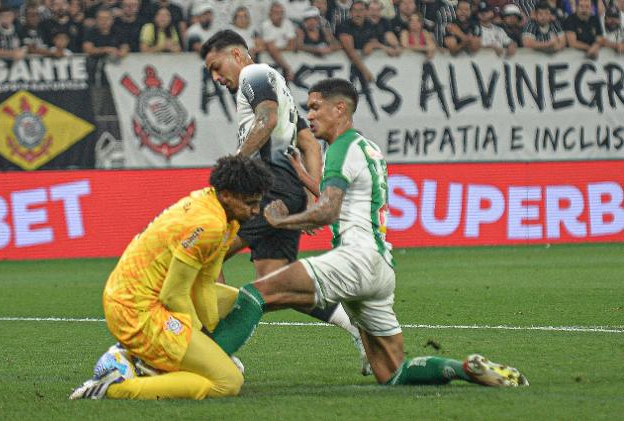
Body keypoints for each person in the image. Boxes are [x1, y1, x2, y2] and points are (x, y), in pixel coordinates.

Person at [208, 78, 530, 389]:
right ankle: (463, 368)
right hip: (380, 268)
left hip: (355, 258)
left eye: (316, 107)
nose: (310, 115)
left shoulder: (340, 149)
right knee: (393, 373)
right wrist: (304, 176)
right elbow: (338, 195)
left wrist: (281, 222)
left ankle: (207, 362)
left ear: (340, 109)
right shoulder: (368, 148)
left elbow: (329, 210)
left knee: (255, 294)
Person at [201, 29, 373, 376]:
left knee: (208, 250)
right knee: (275, 281)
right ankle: (359, 328)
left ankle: (217, 347)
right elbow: (308, 142)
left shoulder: (254, 74)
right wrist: (311, 199)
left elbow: (268, 119)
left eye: (216, 67)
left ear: (236, 55)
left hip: (267, 190)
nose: (217, 78)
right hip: (285, 190)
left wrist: (235, 165)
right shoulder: (281, 89)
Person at [69, 155, 273, 400]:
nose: (255, 211)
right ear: (227, 195)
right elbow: (173, 294)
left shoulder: (222, 216)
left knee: (238, 302)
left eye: (257, 203)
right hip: (135, 310)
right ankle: (112, 387)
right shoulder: (209, 224)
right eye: (250, 203)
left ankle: (144, 361)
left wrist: (210, 340)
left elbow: (205, 282)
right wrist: (204, 338)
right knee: (227, 381)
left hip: (146, 297)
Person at [260, 1, 297, 81]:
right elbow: (272, 49)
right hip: (270, 63)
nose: (279, 15)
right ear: (270, 14)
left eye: (281, 12)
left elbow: (292, 45)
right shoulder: (266, 25)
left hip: (287, 61)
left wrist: (275, 48)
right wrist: (287, 68)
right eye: (276, 12)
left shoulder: (288, 23)